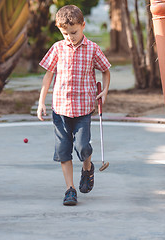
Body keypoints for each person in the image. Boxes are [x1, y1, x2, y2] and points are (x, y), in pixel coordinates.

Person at [37, 5, 111, 206]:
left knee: (83, 147)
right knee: (63, 150)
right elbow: (48, 76)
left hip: (83, 109)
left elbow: (105, 70)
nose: (70, 37)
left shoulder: (93, 49)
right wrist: (42, 101)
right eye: (65, 33)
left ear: (83, 25)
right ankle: (70, 189)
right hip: (60, 109)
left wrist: (104, 90)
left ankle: (87, 168)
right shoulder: (58, 48)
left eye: (74, 32)